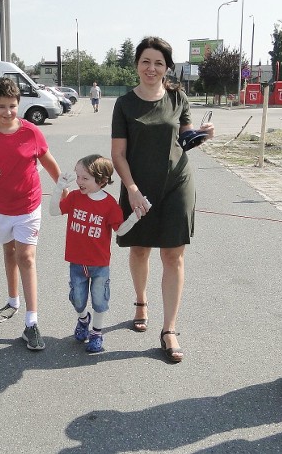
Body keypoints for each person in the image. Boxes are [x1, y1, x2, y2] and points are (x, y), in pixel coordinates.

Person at [110, 36, 214, 363]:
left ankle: (169, 329)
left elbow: (184, 140)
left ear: (167, 67)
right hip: (137, 187)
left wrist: (201, 134)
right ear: (137, 65)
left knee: (173, 256)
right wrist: (131, 189)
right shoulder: (124, 104)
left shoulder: (177, 97)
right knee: (140, 249)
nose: (152, 68)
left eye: (159, 63)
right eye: (146, 61)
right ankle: (141, 301)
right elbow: (118, 154)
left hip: (176, 184)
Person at [0, 77, 63, 351]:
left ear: (19, 104)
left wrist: (64, 188)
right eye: (1, 107)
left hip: (29, 205)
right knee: (8, 253)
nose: (8, 112)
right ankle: (12, 301)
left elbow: (48, 161)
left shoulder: (31, 132)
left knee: (26, 257)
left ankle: (31, 322)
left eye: (12, 106)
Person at [49, 154, 147, 353]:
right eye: (77, 177)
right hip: (76, 262)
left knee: (100, 300)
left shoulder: (110, 204)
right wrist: (59, 187)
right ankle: (83, 319)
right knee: (77, 299)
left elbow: (119, 230)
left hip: (99, 264)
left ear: (102, 180)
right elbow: (53, 211)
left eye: (85, 178)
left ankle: (96, 332)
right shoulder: (75, 197)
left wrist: (134, 218)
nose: (79, 182)